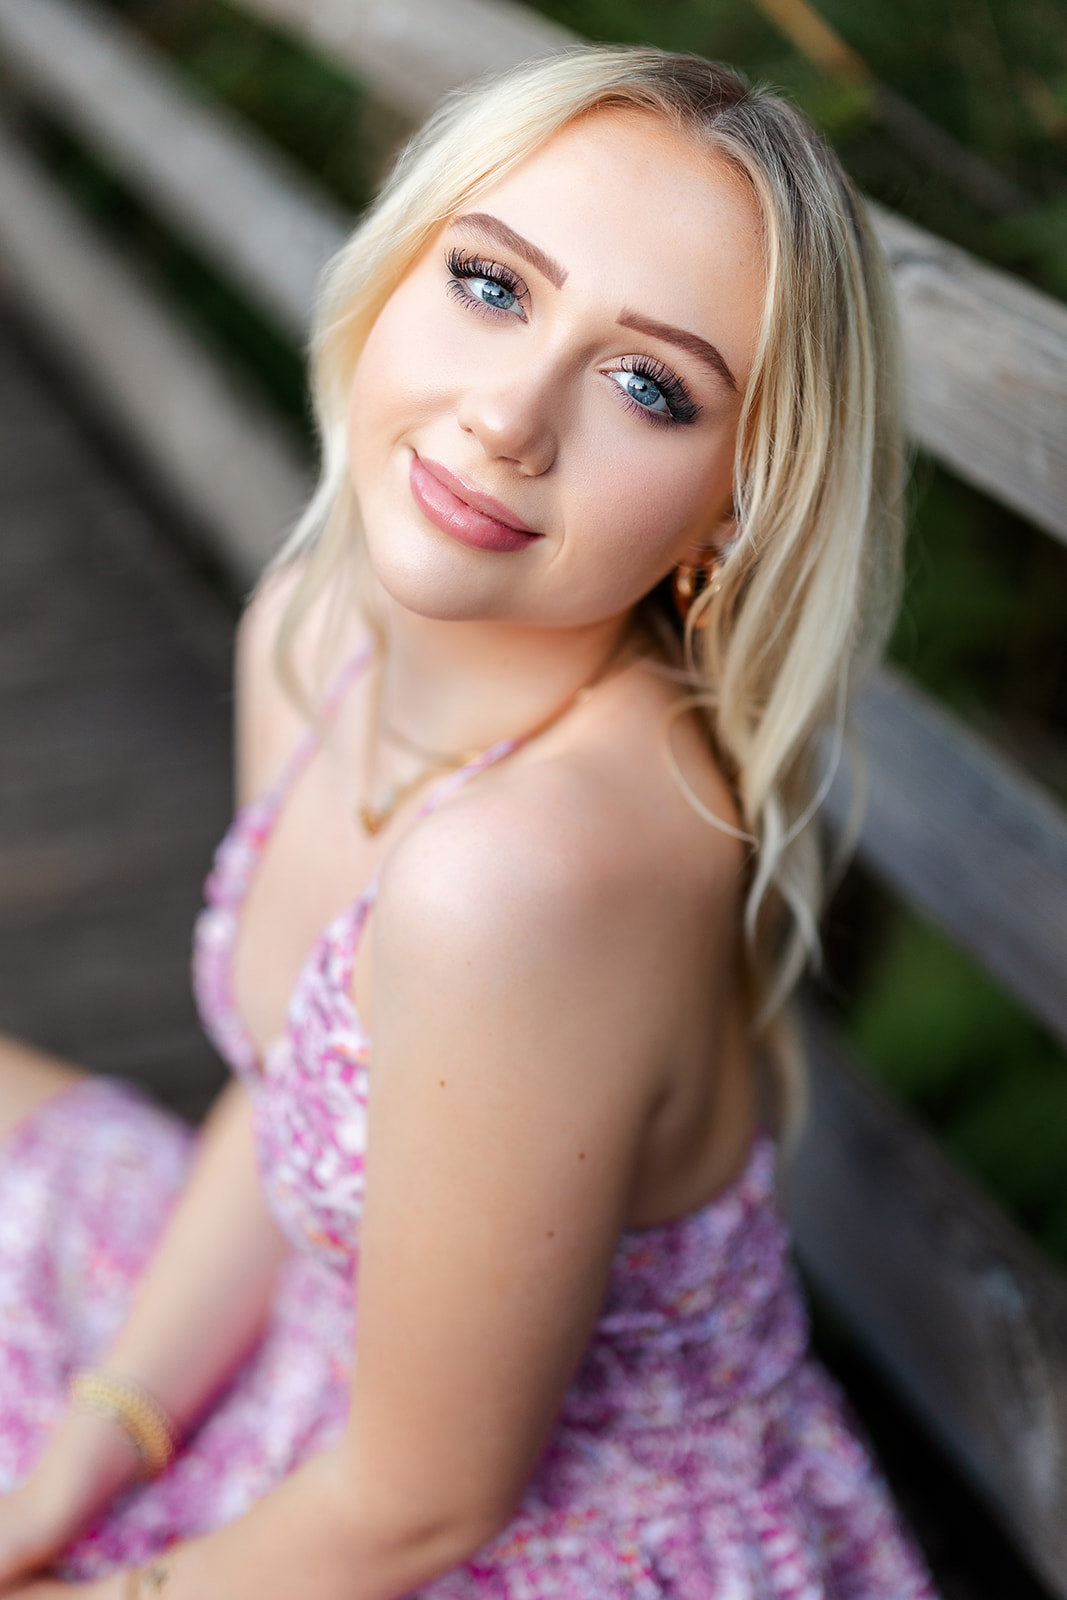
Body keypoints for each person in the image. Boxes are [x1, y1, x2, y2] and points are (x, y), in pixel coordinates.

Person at [0, 45, 937, 1600]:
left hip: (532, 1539)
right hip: (330, 1356)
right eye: (495, 286)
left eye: (651, 385)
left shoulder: (531, 871)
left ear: (736, 508)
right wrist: (93, 1453)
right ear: (390, 279)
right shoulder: (308, 633)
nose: (509, 413)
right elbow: (278, 1092)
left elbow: (423, 1507)